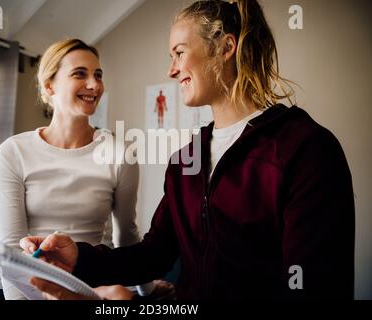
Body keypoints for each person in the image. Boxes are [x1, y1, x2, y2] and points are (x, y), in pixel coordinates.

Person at [21, 0, 354, 300]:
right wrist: (80, 257)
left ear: (226, 47)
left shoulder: (305, 148)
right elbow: (154, 255)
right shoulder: (185, 161)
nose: (171, 69)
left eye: (179, 53)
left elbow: (316, 285)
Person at [0, 38, 155, 299]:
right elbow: (12, 248)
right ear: (49, 86)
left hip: (92, 284)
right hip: (23, 287)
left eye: (98, 75)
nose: (94, 85)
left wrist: (147, 292)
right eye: (80, 74)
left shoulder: (120, 154)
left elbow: (127, 234)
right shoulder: (13, 152)